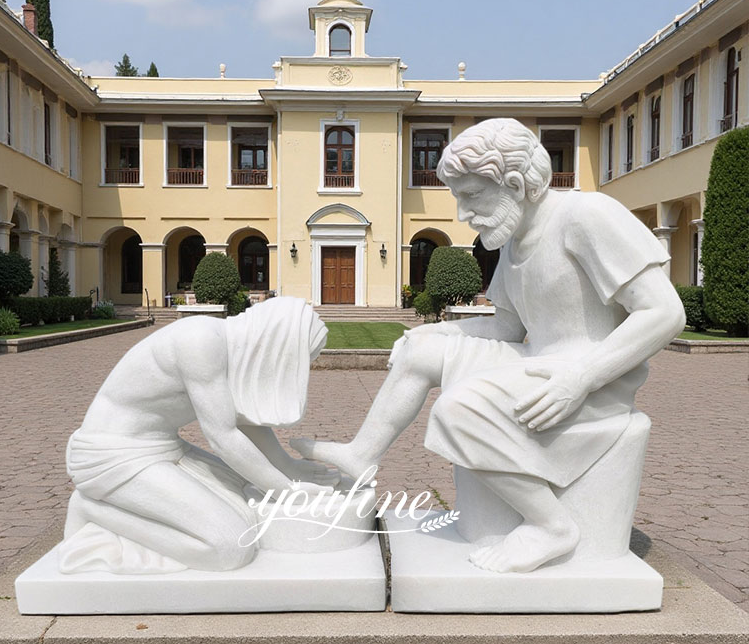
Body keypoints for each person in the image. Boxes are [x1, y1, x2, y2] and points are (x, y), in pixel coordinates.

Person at [293, 118, 685, 574]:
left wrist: (581, 378)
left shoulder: (587, 215)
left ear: (515, 185)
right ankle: (362, 452)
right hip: (542, 360)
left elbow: (664, 312)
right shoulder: (514, 241)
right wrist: (432, 334)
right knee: (420, 351)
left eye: (472, 195)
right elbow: (506, 327)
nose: (463, 213)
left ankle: (551, 526)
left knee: (458, 410)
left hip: (590, 378)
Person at [60, 297, 337, 574]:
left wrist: (287, 468)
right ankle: (92, 510)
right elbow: (223, 437)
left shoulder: (228, 347)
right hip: (113, 455)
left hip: (161, 447)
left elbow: (245, 422)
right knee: (230, 547)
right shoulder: (200, 342)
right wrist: (285, 491)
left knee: (246, 490)